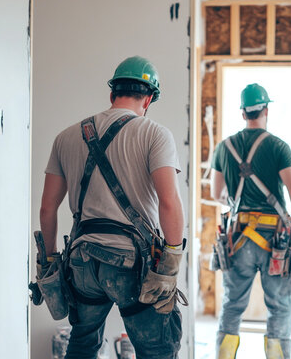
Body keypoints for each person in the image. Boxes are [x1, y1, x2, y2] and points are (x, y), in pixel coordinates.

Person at [39, 56, 185, 359]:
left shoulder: (65, 137)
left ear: (112, 94)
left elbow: (47, 209)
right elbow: (169, 203)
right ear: (148, 98)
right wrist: (170, 263)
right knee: (156, 350)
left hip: (81, 262)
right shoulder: (155, 134)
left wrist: (49, 262)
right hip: (130, 264)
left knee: (82, 345)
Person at [210, 83, 291, 359]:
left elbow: (216, 193)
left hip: (238, 238)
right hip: (275, 241)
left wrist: (237, 198)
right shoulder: (278, 147)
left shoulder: (224, 147)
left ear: (243, 113)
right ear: (266, 110)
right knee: (279, 305)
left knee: (232, 304)